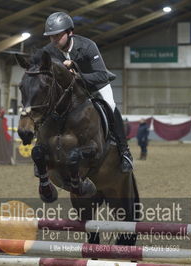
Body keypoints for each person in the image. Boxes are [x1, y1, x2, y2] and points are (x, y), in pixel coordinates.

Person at [42, 11, 133, 172]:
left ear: (70, 32)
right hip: (72, 90)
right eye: (51, 36)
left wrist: (77, 74)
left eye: (58, 35)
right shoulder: (49, 51)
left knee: (111, 106)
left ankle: (124, 151)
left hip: (96, 84)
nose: (54, 40)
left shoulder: (87, 46)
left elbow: (101, 74)